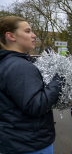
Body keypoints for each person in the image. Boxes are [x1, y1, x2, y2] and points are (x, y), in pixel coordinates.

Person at [0, 16, 63, 154]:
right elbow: (36, 105)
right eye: (28, 31)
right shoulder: (19, 66)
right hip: (30, 144)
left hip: (15, 141)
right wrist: (59, 78)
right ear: (10, 36)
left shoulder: (6, 62)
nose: (34, 35)